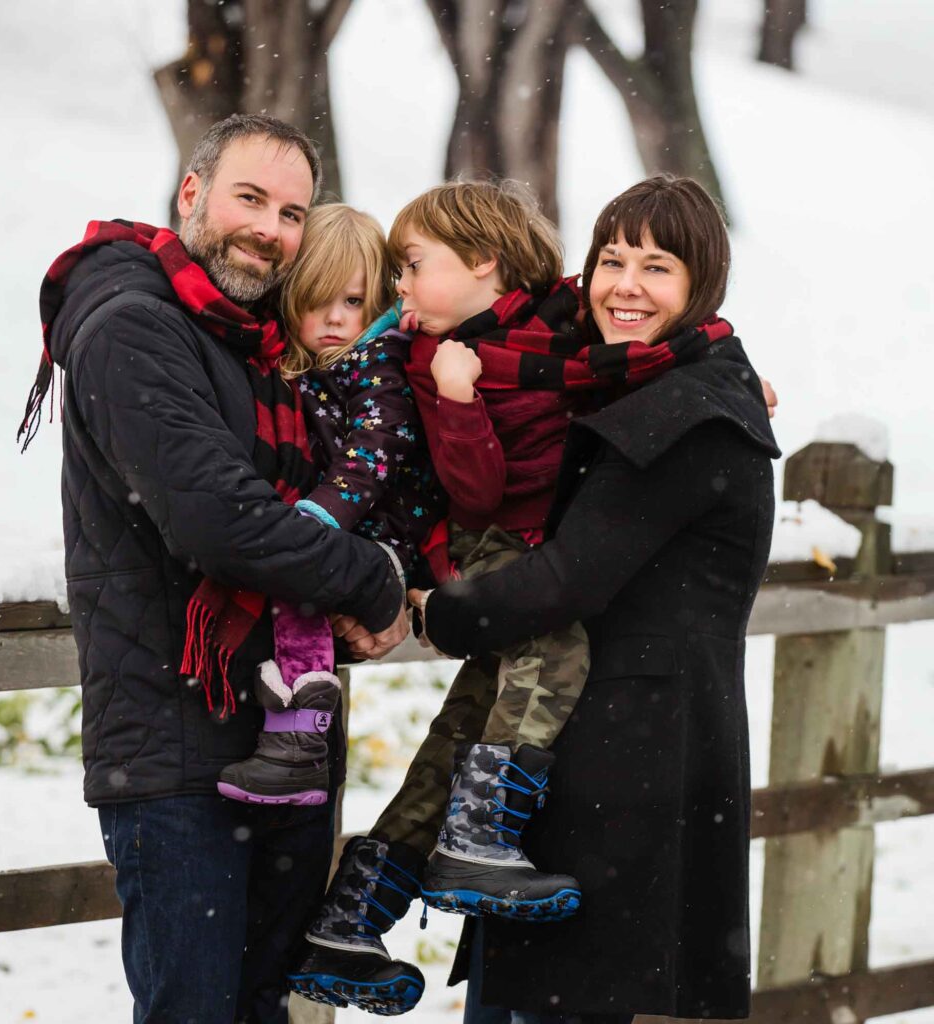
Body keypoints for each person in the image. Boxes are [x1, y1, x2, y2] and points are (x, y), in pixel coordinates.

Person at [289, 178, 775, 1016]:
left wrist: (433, 613)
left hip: (626, 771)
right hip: (573, 758)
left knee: (554, 1000)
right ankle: (355, 920)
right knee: (458, 763)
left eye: (657, 268)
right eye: (612, 260)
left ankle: (364, 910)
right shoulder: (632, 378)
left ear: (702, 285)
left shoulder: (689, 415)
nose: (625, 284)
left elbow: (568, 578)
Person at [18, 114, 408, 1024]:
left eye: (290, 212)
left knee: (263, 1011)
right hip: (176, 750)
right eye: (250, 198)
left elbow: (408, 378)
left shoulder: (260, 343)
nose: (268, 228)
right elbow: (222, 523)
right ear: (191, 194)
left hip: (279, 741)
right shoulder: (131, 328)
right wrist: (371, 577)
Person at [217, 203, 443, 807]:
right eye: (319, 302)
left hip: (384, 527)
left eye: (353, 303)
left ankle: (298, 745)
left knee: (299, 590)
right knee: (299, 596)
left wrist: (317, 517)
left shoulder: (377, 364)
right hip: (347, 526)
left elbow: (376, 450)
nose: (337, 321)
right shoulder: (306, 366)